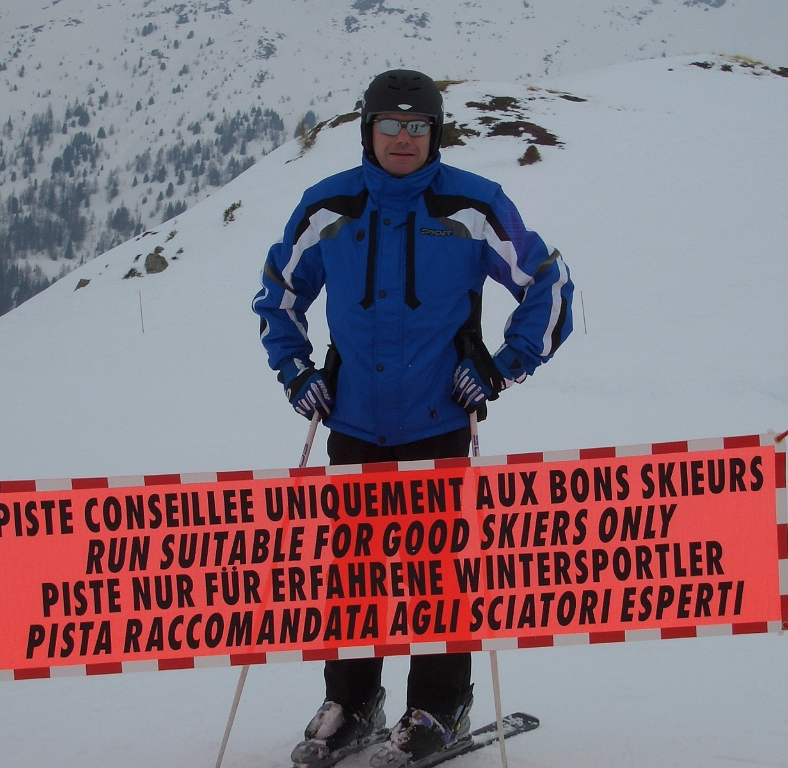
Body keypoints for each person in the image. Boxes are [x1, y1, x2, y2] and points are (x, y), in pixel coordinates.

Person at [252, 69, 574, 768]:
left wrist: (500, 367)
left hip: (439, 419)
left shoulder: (474, 204)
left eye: (419, 126)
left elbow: (548, 285)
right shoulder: (329, 205)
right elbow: (279, 294)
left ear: (436, 134)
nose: (405, 138)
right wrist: (297, 372)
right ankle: (352, 702)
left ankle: (438, 706)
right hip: (353, 422)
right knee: (353, 570)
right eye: (392, 125)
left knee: (438, 573)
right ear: (368, 130)